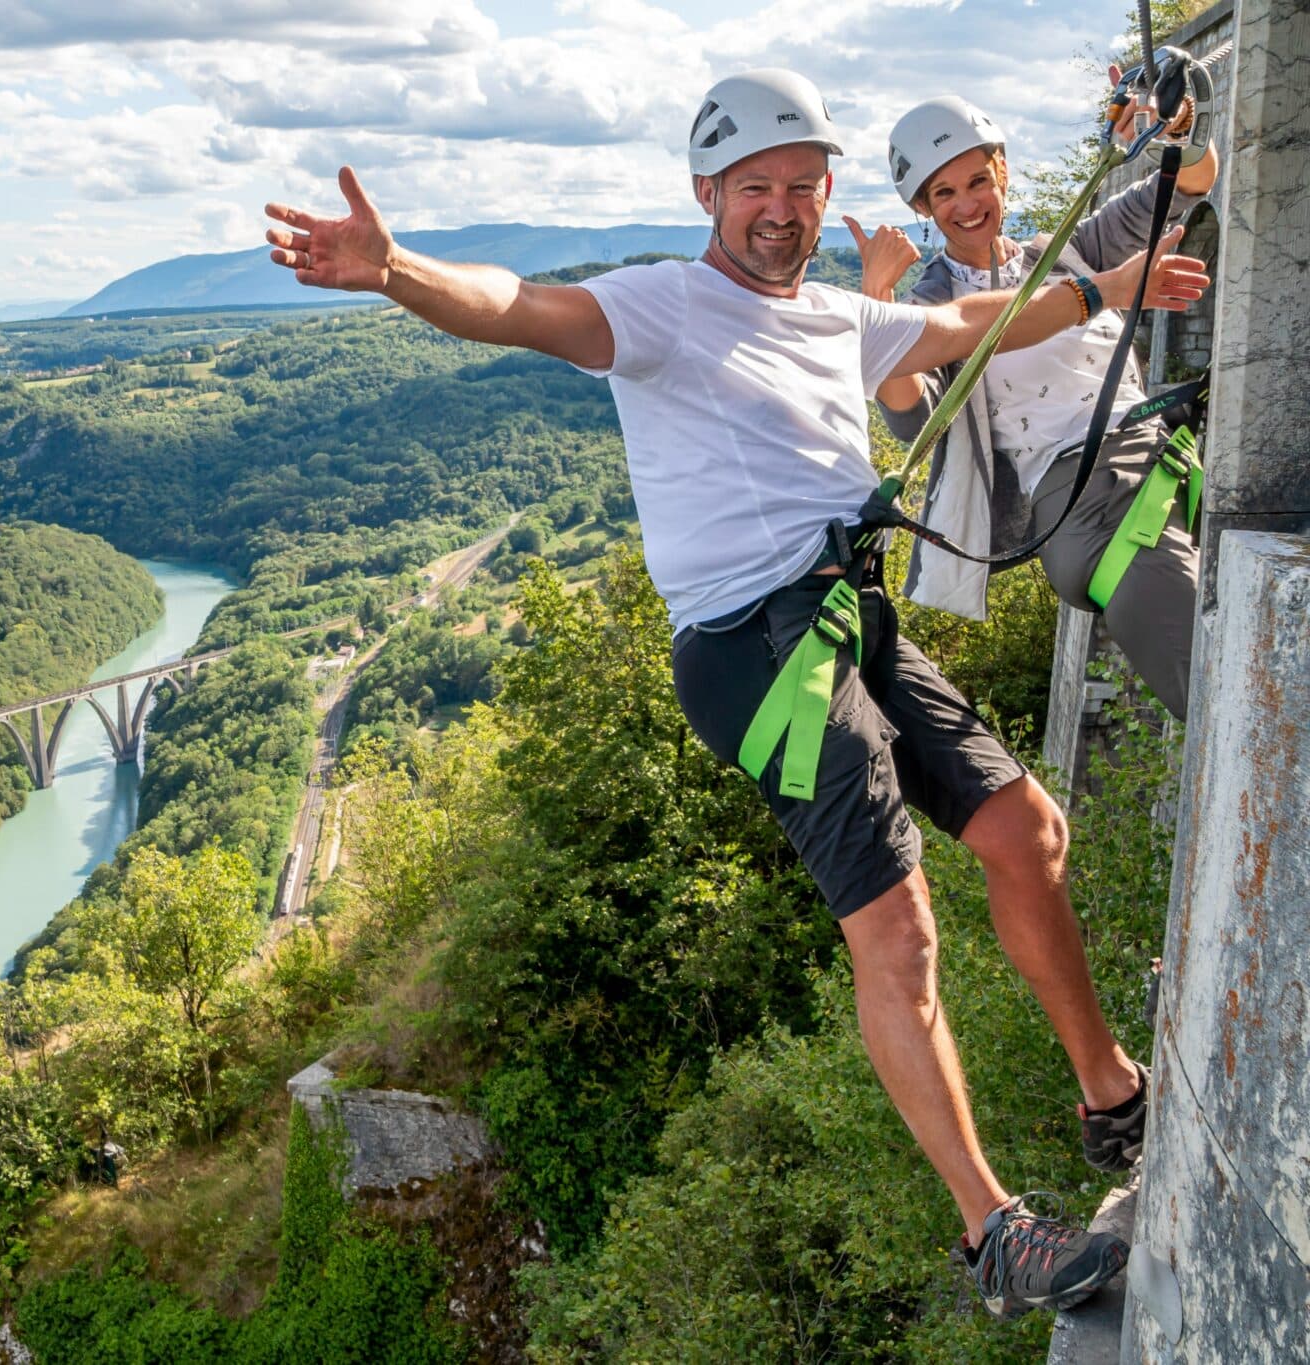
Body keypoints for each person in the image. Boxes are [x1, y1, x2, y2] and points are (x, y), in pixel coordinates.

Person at [263, 68, 1208, 1318]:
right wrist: (396, 271)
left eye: (800, 187)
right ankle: (992, 1237)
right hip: (758, 655)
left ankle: (1111, 1098)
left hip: (843, 616)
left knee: (1023, 831)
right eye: (755, 186)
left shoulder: (830, 315)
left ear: (824, 200)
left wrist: (1097, 292)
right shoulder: (660, 308)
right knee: (899, 929)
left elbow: (979, 320)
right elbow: (518, 305)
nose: (779, 207)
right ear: (705, 192)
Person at [851, 75, 1216, 719]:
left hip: (1164, 460)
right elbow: (912, 418)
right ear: (925, 208)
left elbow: (1184, 186)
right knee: (1232, 704)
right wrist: (878, 302)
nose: (967, 204)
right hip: (1093, 505)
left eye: (977, 181)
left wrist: (1179, 127)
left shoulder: (1066, 250)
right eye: (944, 192)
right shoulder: (935, 308)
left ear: (1003, 175)